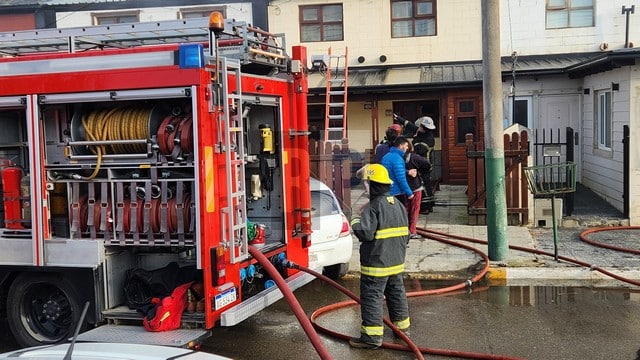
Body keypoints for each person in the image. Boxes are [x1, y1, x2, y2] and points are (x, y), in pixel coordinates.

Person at [349, 164, 411, 349]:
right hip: (396, 263)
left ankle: (371, 337)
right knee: (396, 294)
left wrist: (355, 219)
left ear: (373, 185)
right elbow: (406, 235)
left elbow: (365, 233)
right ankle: (402, 331)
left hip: (376, 264)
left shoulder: (374, 207)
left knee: (372, 297)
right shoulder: (398, 205)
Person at [404, 144, 430, 239]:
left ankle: (406, 229)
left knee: (406, 208)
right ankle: (412, 231)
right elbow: (426, 164)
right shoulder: (415, 157)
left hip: (403, 187)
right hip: (415, 186)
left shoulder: (397, 157)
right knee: (414, 209)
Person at [412, 116, 437, 213]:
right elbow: (411, 125)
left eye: (420, 126)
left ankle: (425, 206)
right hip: (426, 164)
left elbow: (419, 149)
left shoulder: (427, 139)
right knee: (427, 185)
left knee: (423, 185)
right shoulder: (427, 135)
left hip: (423, 165)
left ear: (423, 127)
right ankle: (429, 205)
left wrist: (414, 140)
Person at [381, 137, 414, 202]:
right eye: (406, 145)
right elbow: (401, 178)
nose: (407, 148)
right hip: (397, 192)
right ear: (401, 146)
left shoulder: (385, 156)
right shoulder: (398, 158)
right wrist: (409, 193)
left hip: (386, 190)